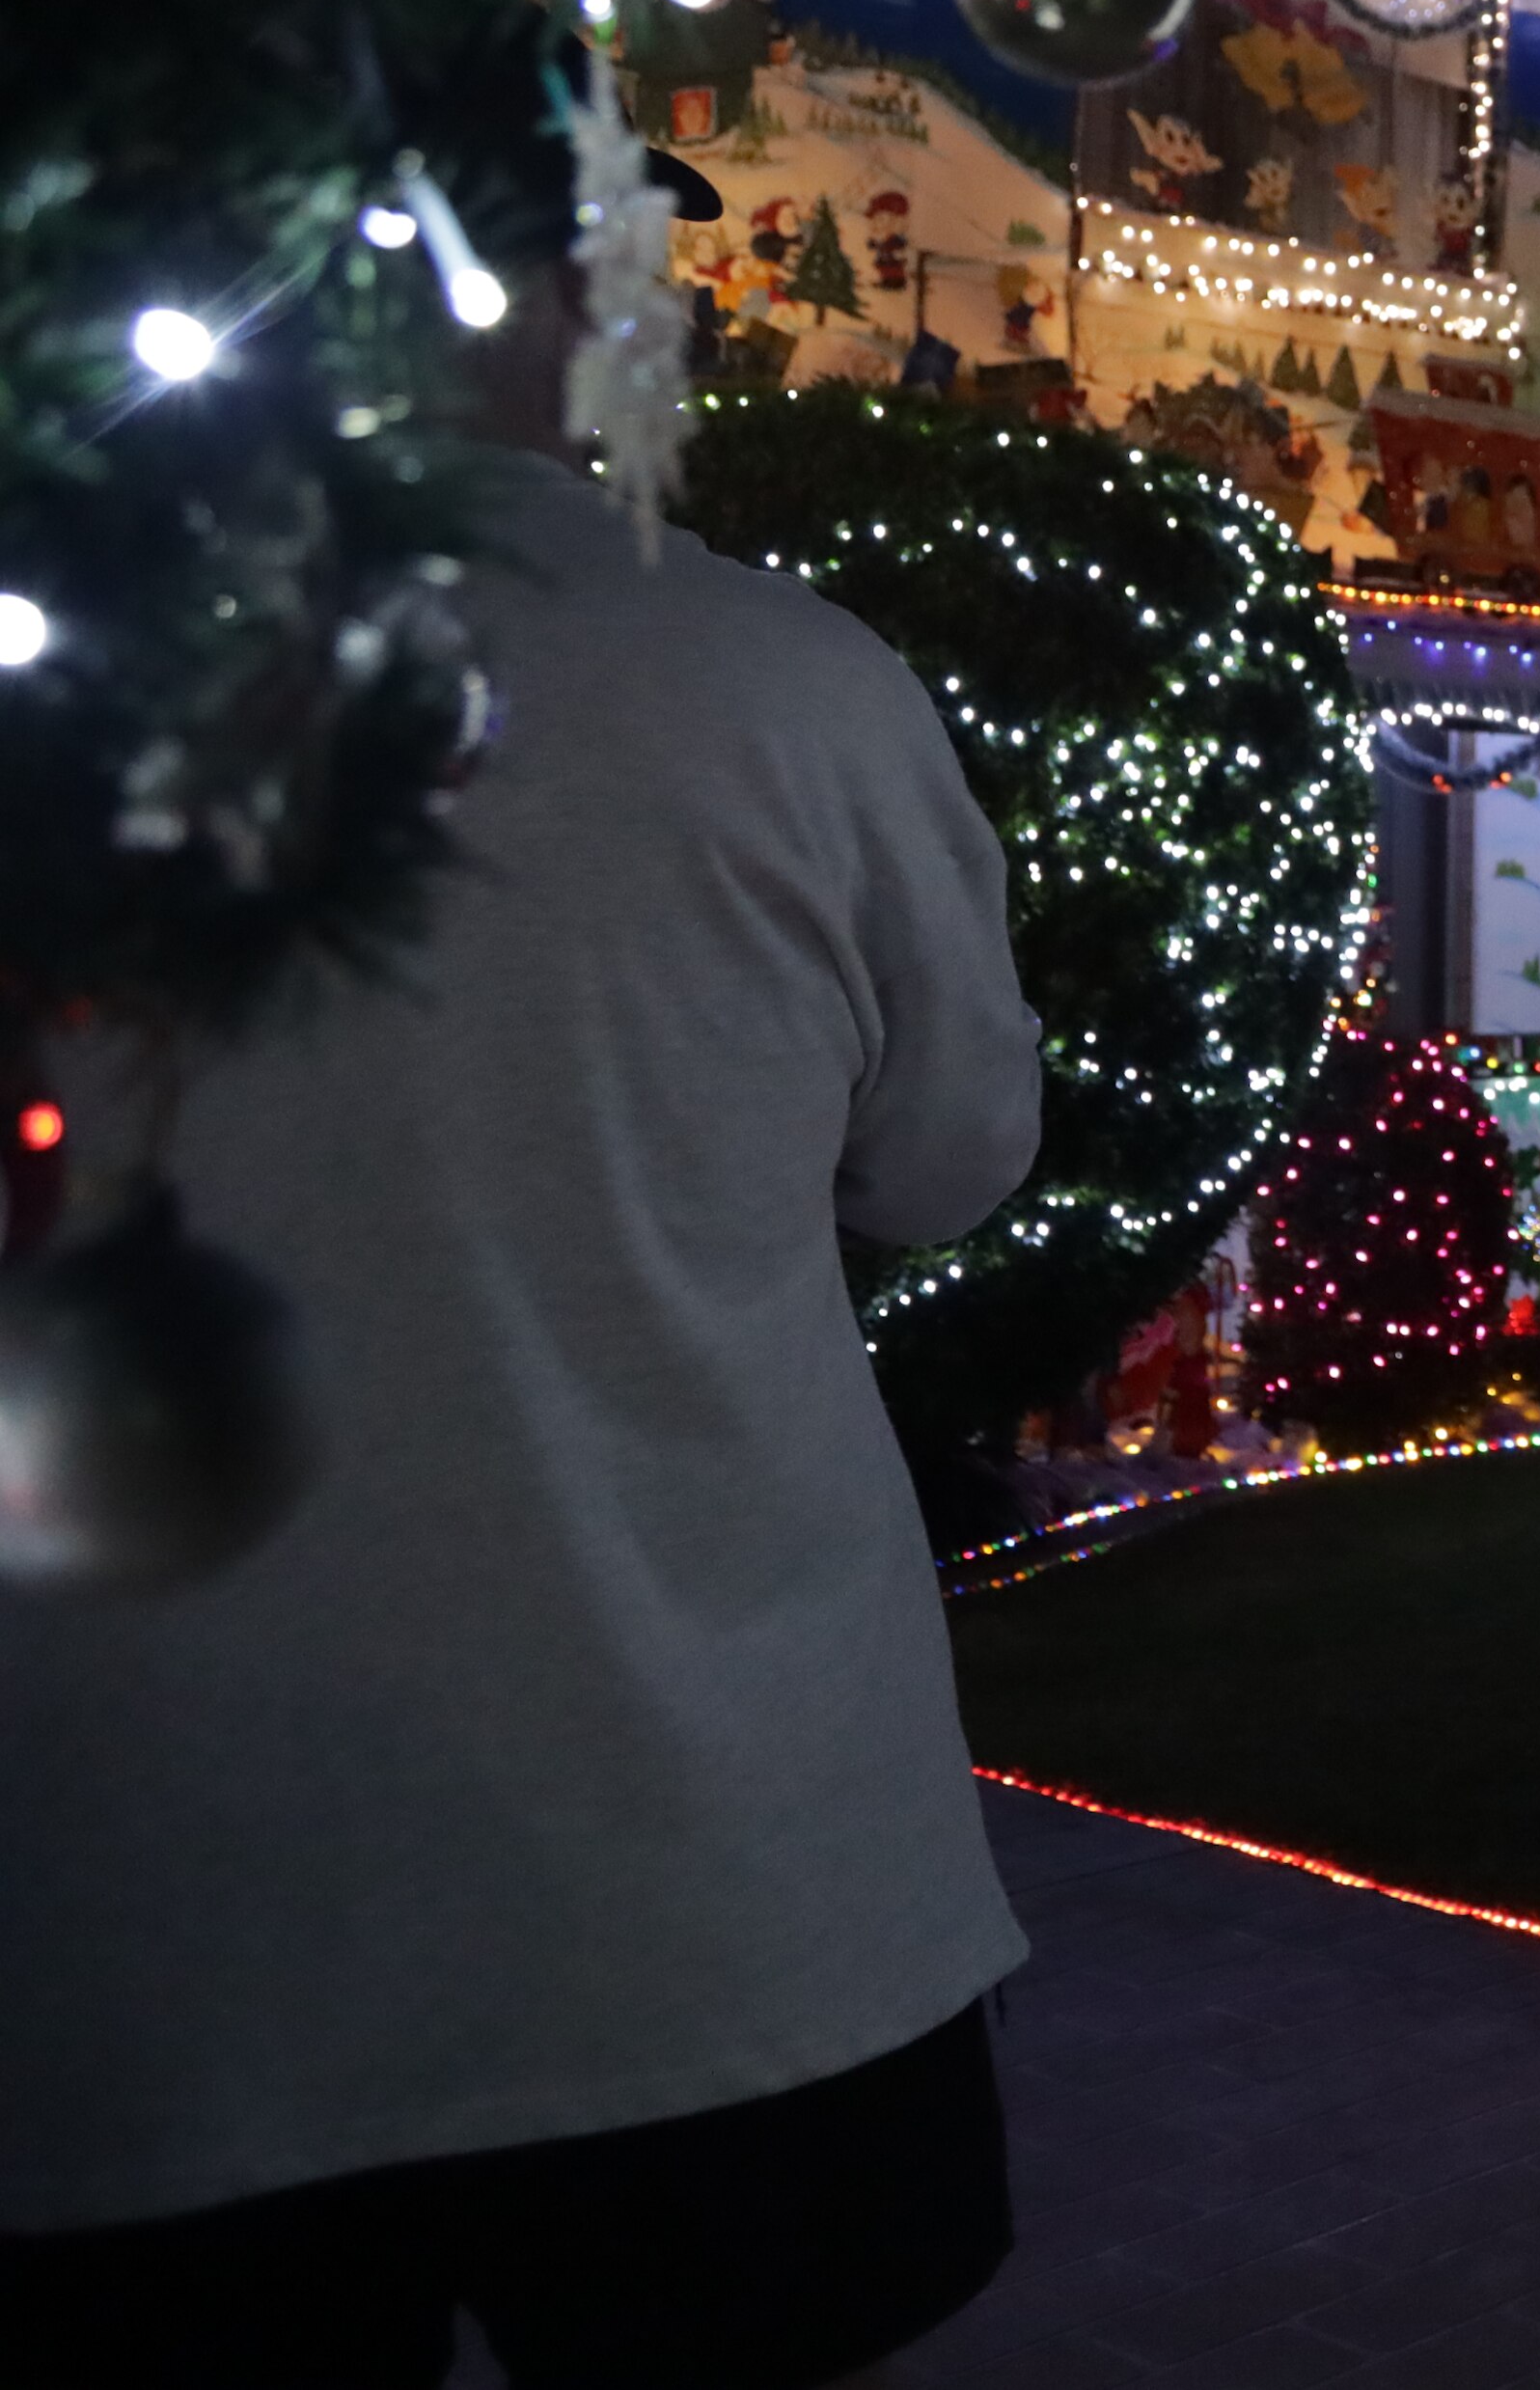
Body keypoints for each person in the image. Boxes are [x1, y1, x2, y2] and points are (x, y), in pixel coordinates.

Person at [0, 219, 1049, 2385]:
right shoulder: (793, 684)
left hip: (157, 1898)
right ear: (580, 305)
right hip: (724, 1888)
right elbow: (952, 1155)